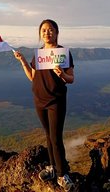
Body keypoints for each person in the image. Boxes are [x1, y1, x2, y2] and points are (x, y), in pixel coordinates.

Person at [14, 19, 75, 191]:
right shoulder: (39, 54)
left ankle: (63, 174)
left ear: (56, 32)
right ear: (40, 34)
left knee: (56, 138)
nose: (47, 33)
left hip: (56, 101)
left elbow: (71, 78)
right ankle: (52, 167)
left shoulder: (62, 53)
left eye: (50, 30)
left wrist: (62, 74)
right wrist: (23, 61)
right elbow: (33, 77)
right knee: (48, 135)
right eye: (44, 31)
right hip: (39, 100)